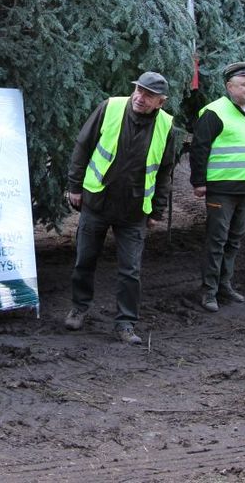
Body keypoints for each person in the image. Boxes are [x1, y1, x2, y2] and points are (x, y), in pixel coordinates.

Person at [63, 72, 176, 345]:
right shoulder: (111, 107)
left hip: (134, 210)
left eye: (148, 95)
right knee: (84, 260)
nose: (140, 97)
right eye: (138, 90)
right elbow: (83, 146)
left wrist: (157, 210)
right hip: (97, 201)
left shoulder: (166, 126)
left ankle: (126, 323)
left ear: (160, 102)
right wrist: (75, 186)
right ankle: (79, 308)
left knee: (130, 270)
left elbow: (164, 172)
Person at [190, 61, 245, 313]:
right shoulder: (214, 112)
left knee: (234, 240)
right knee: (217, 241)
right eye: (243, 84)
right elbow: (199, 149)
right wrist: (199, 182)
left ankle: (225, 285)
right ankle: (208, 291)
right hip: (222, 188)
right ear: (228, 86)